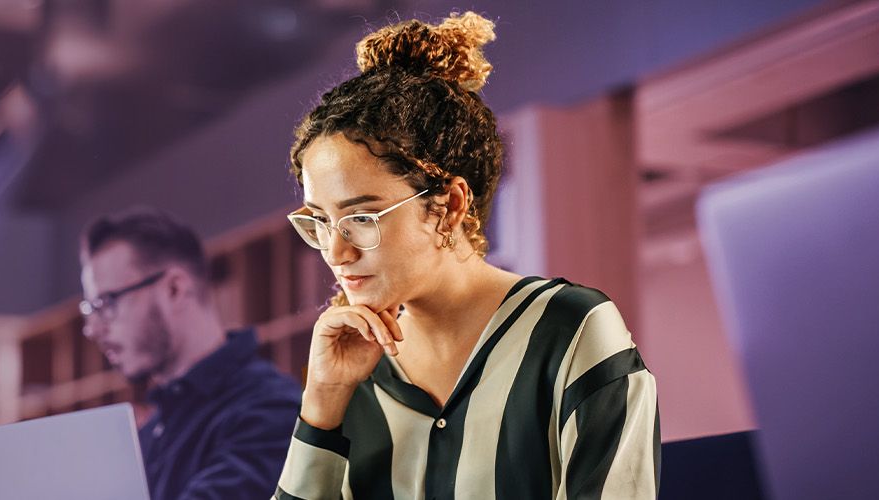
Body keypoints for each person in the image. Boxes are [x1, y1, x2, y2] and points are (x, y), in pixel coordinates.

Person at [271, 12, 659, 500]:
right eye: (321, 222)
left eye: (362, 218)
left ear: (449, 205)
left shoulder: (570, 329)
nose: (335, 251)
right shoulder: (353, 372)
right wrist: (322, 402)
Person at [78, 207, 303, 500]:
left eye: (106, 303)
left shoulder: (270, 409)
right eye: (91, 310)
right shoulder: (155, 429)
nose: (92, 329)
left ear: (173, 289)